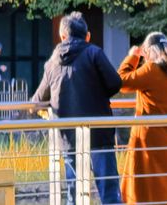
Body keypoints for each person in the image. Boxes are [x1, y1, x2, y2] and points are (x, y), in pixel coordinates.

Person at [32, 11, 122, 205]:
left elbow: (37, 100)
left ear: (62, 37)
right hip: (99, 135)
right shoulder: (94, 53)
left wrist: (48, 105)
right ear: (87, 36)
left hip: (68, 138)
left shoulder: (52, 63)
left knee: (75, 196)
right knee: (109, 194)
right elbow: (115, 83)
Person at [118, 33, 167, 205]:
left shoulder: (151, 70)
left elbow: (121, 81)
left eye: (145, 54)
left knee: (145, 189)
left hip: (149, 141)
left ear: (150, 51)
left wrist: (133, 56)